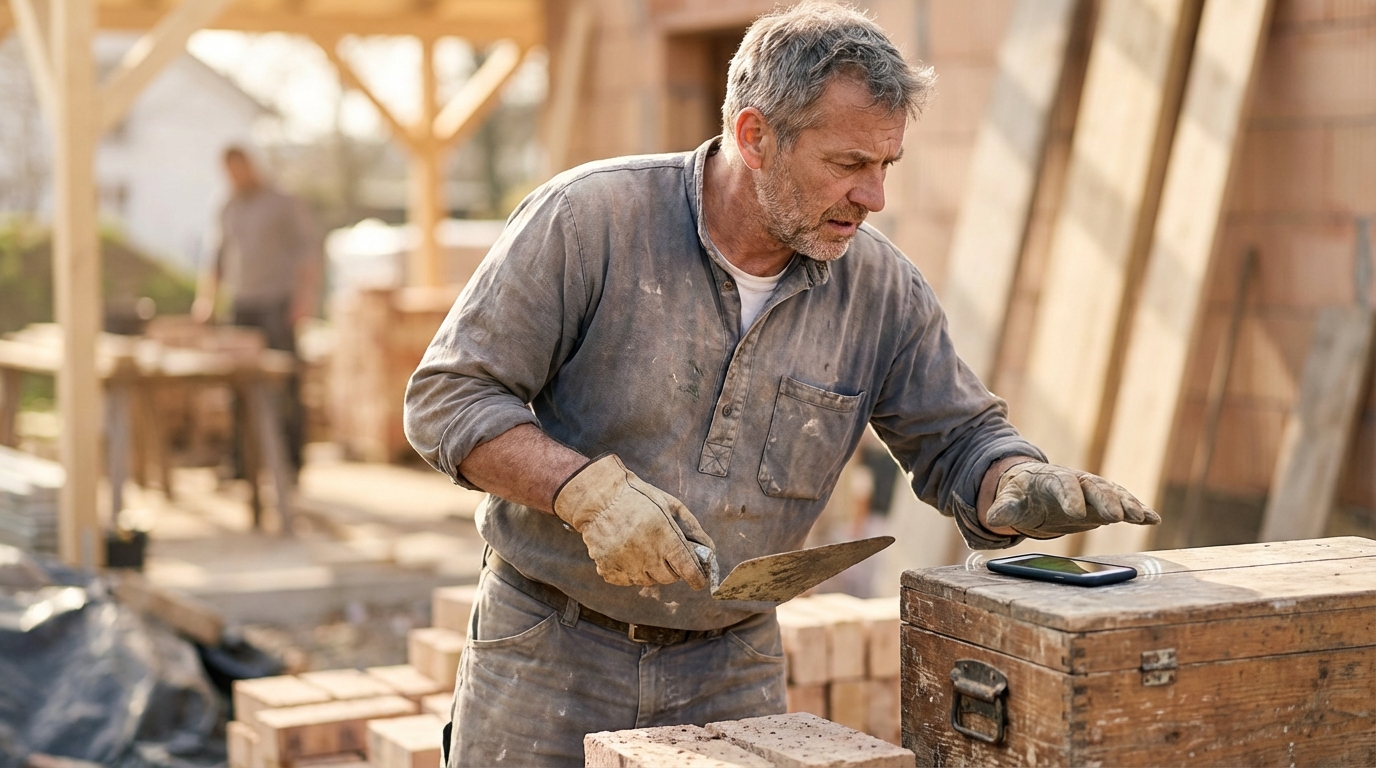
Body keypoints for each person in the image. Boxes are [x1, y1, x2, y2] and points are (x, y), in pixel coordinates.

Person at [404, 4, 1160, 765]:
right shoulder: (590, 221)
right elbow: (448, 400)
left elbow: (959, 439)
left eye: (886, 166)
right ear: (754, 137)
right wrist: (583, 494)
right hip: (548, 649)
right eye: (847, 165)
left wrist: (1014, 480)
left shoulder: (880, 291)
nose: (875, 198)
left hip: (731, 663)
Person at [193, 146, 322, 471]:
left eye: (240, 169)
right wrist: (206, 300)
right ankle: (241, 462)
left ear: (251, 166)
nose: (236, 176)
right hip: (242, 304)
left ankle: (290, 462)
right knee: (237, 383)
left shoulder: (282, 204)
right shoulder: (228, 207)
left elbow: (307, 253)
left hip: (277, 303)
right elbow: (217, 258)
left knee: (285, 383)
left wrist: (304, 299)